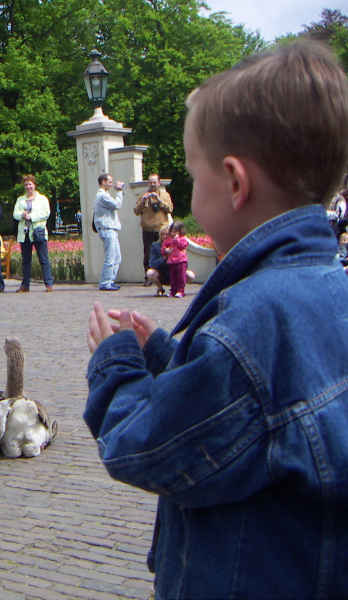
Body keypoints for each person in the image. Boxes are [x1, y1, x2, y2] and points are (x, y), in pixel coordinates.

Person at [85, 41, 348, 599]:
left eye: (192, 177)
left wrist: (117, 368)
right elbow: (258, 411)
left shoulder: (252, 319)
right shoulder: (331, 288)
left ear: (234, 182)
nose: (187, 198)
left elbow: (152, 447)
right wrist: (165, 352)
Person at [12, 174, 53, 292]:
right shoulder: (20, 200)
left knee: (43, 259)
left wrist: (32, 216)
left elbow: (46, 213)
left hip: (38, 232)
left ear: (34, 185)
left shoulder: (42, 199)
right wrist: (22, 215)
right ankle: (25, 285)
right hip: (24, 234)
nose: (28, 187)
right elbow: (15, 214)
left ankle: (49, 284)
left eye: (30, 184)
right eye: (26, 185)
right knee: (26, 260)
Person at [134, 173, 173, 284]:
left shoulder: (165, 195)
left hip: (162, 230)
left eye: (155, 182)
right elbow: (136, 211)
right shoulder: (142, 196)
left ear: (159, 183)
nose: (152, 184)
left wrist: (159, 200)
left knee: (165, 253)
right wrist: (143, 201)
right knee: (148, 254)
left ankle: (167, 276)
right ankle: (148, 277)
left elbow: (170, 209)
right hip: (148, 229)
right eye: (150, 182)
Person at [93, 174, 124, 291]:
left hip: (112, 228)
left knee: (117, 257)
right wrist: (119, 191)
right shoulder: (102, 196)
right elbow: (117, 205)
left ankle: (110, 280)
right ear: (103, 182)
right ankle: (105, 283)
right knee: (110, 257)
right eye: (110, 182)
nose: (112, 184)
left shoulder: (104, 195)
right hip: (107, 229)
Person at [146, 225, 195, 296]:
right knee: (150, 273)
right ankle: (160, 288)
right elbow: (152, 264)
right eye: (163, 235)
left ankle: (179, 289)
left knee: (190, 275)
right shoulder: (155, 245)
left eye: (167, 234)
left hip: (176, 270)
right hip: (162, 273)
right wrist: (164, 257)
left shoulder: (178, 244)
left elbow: (185, 264)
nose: (165, 236)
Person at [161, 221, 189, 298]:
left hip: (181, 260)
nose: (173, 233)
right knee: (173, 277)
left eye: (175, 231)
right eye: (172, 231)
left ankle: (180, 291)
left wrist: (176, 239)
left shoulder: (182, 238)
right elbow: (163, 247)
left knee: (181, 277)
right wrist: (165, 250)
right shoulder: (169, 239)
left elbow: (183, 245)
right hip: (172, 261)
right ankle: (173, 291)